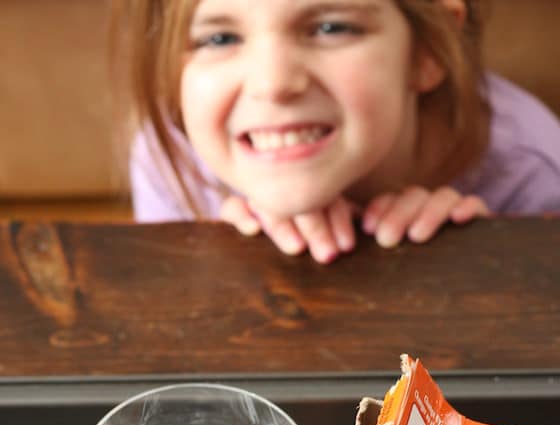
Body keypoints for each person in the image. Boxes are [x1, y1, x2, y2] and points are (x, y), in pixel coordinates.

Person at [114, 0, 560, 263]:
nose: (273, 83)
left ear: (427, 50)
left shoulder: (533, 173)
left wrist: (479, 258)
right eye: (219, 39)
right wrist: (223, 262)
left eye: (330, 28)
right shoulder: (172, 155)